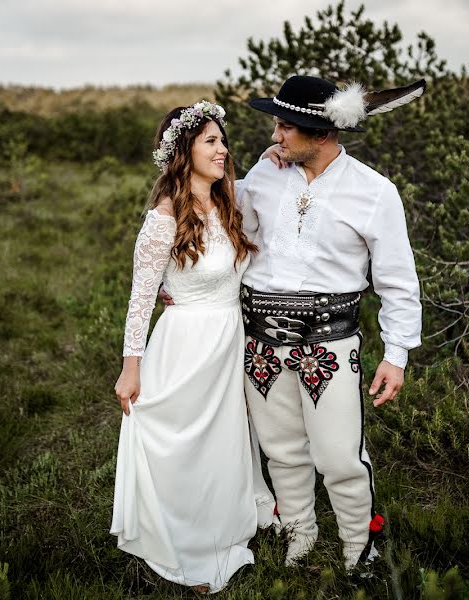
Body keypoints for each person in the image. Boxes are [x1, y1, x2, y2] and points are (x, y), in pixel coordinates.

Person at [238, 75, 424, 569]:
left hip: (331, 344)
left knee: (341, 457)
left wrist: (397, 354)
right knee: (280, 450)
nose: (275, 135)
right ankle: (299, 536)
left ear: (320, 133)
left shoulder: (374, 192)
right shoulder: (262, 178)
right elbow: (228, 231)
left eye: (284, 126)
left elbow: (398, 281)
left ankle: (357, 550)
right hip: (261, 342)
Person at [109, 101, 266, 594]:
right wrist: (130, 369)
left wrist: (277, 156)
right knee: (185, 447)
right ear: (185, 152)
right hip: (186, 345)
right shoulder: (163, 217)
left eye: (224, 140)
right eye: (211, 142)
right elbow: (140, 298)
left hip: (227, 340)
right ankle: (185, 544)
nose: (223, 149)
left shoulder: (229, 203)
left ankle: (222, 527)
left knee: (223, 442)